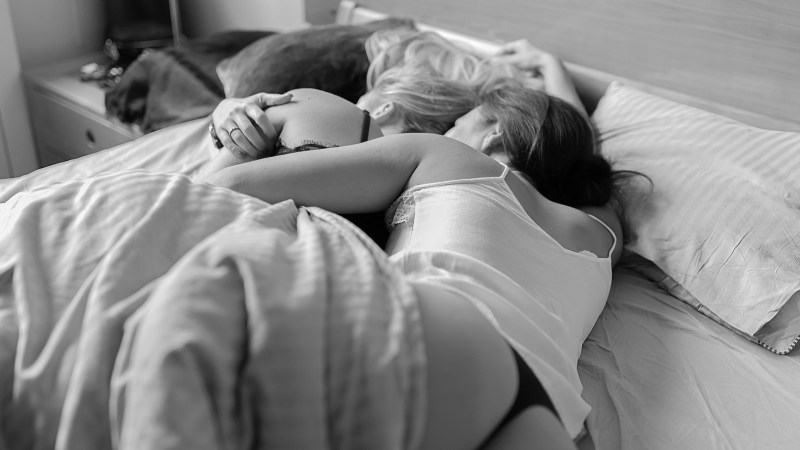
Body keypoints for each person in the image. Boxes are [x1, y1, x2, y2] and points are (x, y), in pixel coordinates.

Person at [195, 74, 623, 448]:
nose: (446, 130)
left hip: (432, 345)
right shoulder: (603, 235)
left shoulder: (444, 155)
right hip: (543, 413)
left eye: (458, 123)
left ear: (493, 135)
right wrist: (552, 74)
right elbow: (588, 151)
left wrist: (229, 119)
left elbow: (225, 185)